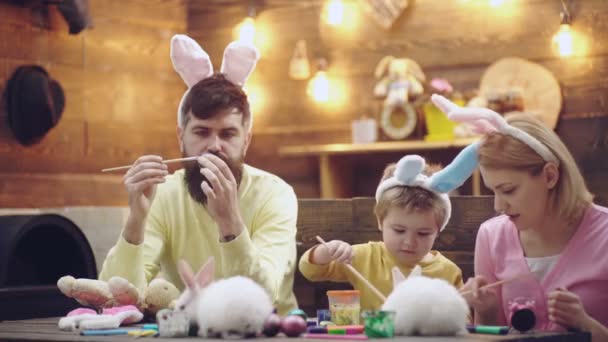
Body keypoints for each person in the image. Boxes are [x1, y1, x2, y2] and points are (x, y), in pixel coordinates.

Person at [99, 35, 298, 315]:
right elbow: (115, 298)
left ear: (246, 141)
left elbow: (262, 296)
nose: (214, 146)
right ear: (181, 137)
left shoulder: (275, 194)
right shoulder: (164, 193)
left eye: (228, 134)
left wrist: (230, 220)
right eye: (202, 132)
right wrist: (135, 220)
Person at [432, 94, 608, 340]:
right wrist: (487, 310)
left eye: (509, 190)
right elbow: (491, 335)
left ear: (550, 176)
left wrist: (587, 327)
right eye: (492, 191)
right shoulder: (491, 236)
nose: (498, 205)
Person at [298, 146, 478, 311]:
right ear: (380, 221)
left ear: (438, 230)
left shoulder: (447, 272)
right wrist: (326, 252)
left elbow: (462, 319)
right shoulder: (365, 257)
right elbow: (311, 271)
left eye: (423, 233)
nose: (409, 242)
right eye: (399, 230)